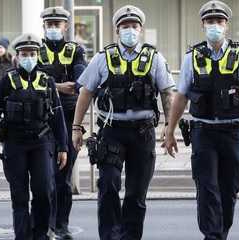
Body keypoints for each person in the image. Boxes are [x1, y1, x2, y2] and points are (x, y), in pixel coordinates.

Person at [72, 5, 175, 240]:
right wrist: (76, 128)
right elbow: (85, 93)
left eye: (134, 26)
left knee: (136, 195)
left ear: (140, 29)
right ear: (117, 30)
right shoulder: (103, 58)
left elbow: (167, 93)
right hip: (112, 132)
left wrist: (170, 127)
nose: (130, 30)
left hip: (143, 133)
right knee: (108, 187)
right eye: (125, 26)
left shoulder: (154, 57)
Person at [164, 1, 239, 239]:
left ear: (226, 25)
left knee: (229, 191)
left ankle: (220, 234)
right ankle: (213, 236)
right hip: (203, 133)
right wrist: (170, 130)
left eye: (219, 22)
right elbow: (181, 96)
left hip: (232, 133)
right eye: (210, 22)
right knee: (207, 190)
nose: (215, 26)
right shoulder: (193, 56)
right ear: (203, 25)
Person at [0, 33, 68, 240]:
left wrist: (63, 146)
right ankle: (22, 236)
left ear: (37, 55)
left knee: (44, 191)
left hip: (42, 143)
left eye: (32, 54)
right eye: (24, 54)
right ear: (17, 57)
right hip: (15, 144)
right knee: (19, 196)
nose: (28, 58)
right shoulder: (7, 80)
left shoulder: (47, 81)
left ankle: (41, 235)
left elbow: (58, 117)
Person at [39, 6, 87, 239]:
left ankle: (61, 226)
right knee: (44, 178)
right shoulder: (34, 52)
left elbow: (78, 84)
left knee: (63, 179)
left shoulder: (76, 50)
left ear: (65, 27)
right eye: (50, 24)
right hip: (42, 122)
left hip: (68, 121)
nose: (53, 28)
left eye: (57, 24)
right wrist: (59, 86)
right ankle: (45, 226)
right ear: (44, 27)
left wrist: (47, 84)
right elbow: (28, 83)